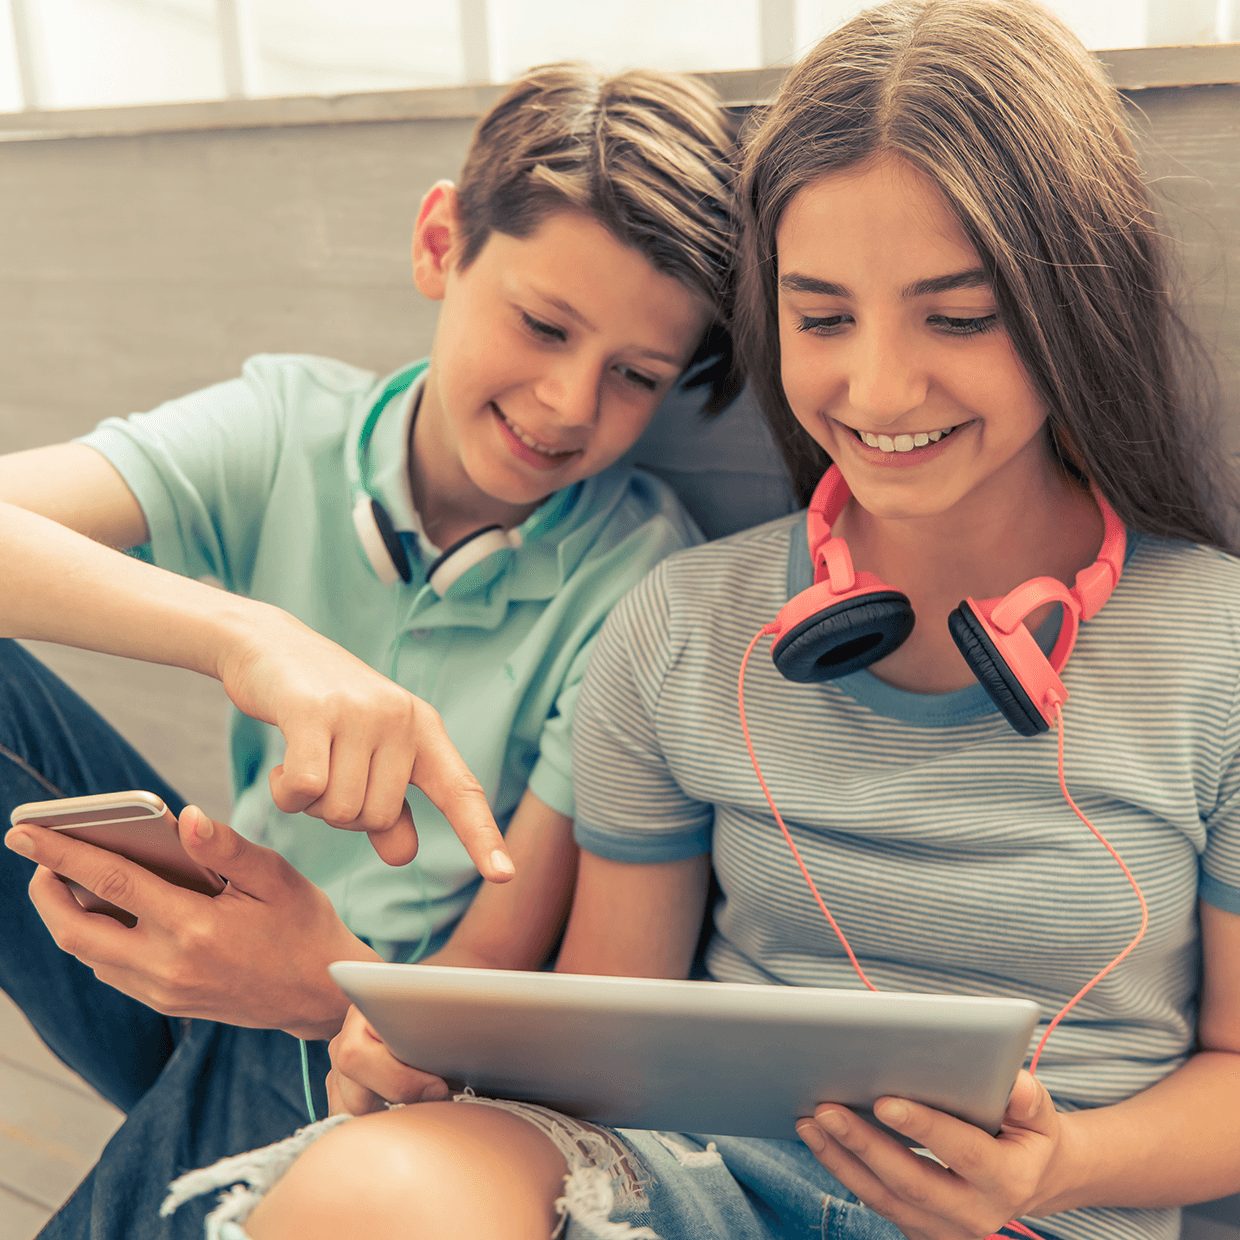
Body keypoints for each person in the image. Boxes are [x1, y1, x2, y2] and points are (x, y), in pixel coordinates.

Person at [226, 2, 1240, 1239]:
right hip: (692, 1187)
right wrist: (430, 1058)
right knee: (369, 1187)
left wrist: (1058, 1162)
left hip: (1031, 1217)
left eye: (957, 316)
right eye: (821, 319)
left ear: (1069, 303)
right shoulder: (681, 625)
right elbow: (607, 1028)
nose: (876, 390)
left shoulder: (1215, 647)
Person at [0, 63, 740, 1239]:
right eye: (543, 325)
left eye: (634, 378)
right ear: (442, 242)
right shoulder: (289, 426)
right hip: (177, 959)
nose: (563, 403)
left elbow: (492, 962)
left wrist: (315, 986)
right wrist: (248, 634)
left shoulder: (635, 579)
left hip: (370, 1046)